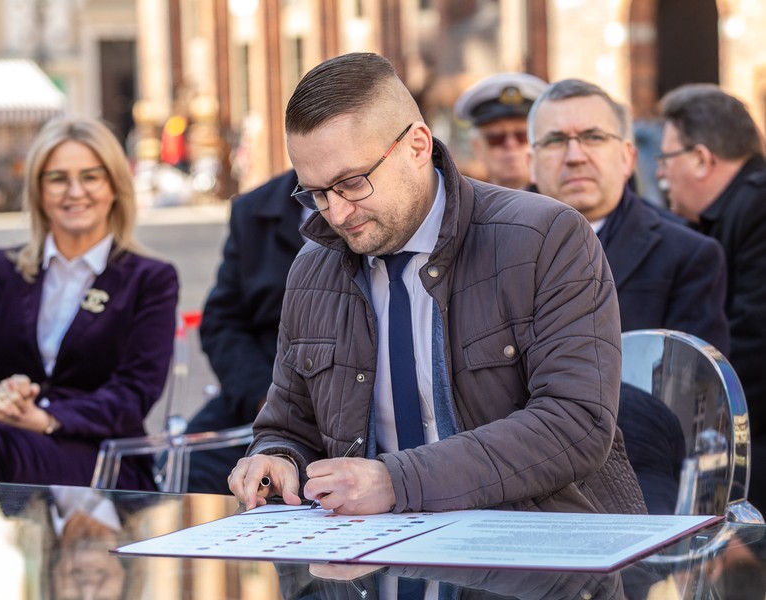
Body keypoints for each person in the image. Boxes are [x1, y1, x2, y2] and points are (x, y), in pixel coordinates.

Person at [228, 52, 646, 517]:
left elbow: (576, 423)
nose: (338, 213)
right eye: (318, 193)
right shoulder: (313, 268)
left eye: (352, 183)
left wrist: (398, 481)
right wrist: (276, 458)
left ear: (418, 146)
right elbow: (290, 424)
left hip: (541, 552)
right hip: (373, 561)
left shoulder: (544, 238)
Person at [0, 116, 178, 491]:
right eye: (58, 178)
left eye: (90, 177)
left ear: (114, 186)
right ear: (37, 190)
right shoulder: (5, 269)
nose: (74, 191)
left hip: (104, 459)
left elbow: (134, 392)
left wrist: (46, 417)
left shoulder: (149, 279)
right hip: (3, 440)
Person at [527, 79, 730, 352]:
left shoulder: (687, 256)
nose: (575, 156)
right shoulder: (493, 249)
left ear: (627, 158)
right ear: (531, 164)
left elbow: (688, 387)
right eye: (555, 140)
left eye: (593, 137)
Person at [657, 84, 766, 512]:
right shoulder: (738, 208)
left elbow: (755, 339)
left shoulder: (757, 208)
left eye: (666, 159)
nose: (661, 174)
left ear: (702, 159)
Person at [185, 169, 305, 494]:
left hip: (352, 401)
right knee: (191, 463)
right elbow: (221, 321)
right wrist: (263, 396)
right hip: (265, 389)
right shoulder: (254, 209)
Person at [453, 72, 547, 189]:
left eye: (522, 136)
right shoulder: (461, 205)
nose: (511, 144)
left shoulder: (560, 202)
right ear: (477, 147)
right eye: (496, 138)